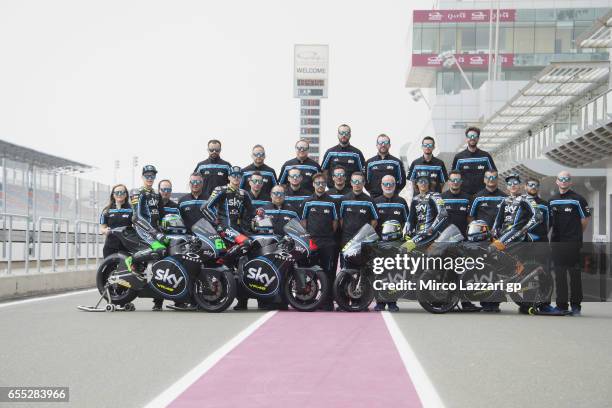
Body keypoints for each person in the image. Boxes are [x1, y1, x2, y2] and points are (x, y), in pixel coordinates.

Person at [489, 174, 542, 314]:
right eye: (510, 183)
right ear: (506, 187)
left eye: (515, 182)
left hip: (517, 235)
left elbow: (538, 216)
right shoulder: (504, 201)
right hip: (504, 236)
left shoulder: (526, 199)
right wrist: (493, 232)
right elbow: (497, 221)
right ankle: (500, 294)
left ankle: (524, 297)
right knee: (492, 258)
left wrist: (523, 230)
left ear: (520, 185)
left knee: (493, 250)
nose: (512, 185)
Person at [205, 166, 254, 311]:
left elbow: (251, 212)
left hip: (238, 231)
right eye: (234, 175)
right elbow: (205, 208)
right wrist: (218, 225)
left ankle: (242, 302)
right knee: (247, 243)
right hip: (225, 230)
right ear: (229, 177)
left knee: (241, 264)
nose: (236, 178)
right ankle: (221, 261)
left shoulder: (243, 193)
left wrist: (259, 217)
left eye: (239, 176)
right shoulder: (222, 190)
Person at [549, 171, 591, 316]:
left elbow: (584, 220)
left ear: (570, 182)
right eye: (561, 179)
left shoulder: (578, 199)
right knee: (559, 275)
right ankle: (561, 305)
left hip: (573, 243)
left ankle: (576, 305)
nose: (564, 181)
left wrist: (576, 235)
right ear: (557, 181)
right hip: (556, 243)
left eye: (567, 179)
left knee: (574, 274)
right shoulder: (552, 200)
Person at [439, 171, 481, 313]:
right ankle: (446, 301)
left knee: (463, 273)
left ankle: (466, 302)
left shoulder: (468, 198)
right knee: (446, 273)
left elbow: (470, 219)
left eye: (457, 180)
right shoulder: (441, 198)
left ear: (461, 182)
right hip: (445, 241)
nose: (455, 183)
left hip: (463, 240)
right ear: (448, 182)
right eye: (452, 180)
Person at [127, 165, 167, 311]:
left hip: (156, 231)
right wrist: (154, 232)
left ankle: (159, 300)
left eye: (152, 176)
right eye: (147, 176)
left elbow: (162, 216)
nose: (150, 178)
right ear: (142, 177)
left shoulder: (157, 195)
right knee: (160, 250)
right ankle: (132, 260)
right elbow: (136, 217)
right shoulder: (136, 192)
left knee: (168, 253)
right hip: (142, 230)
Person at [301, 173, 339, 311]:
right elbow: (303, 221)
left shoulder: (332, 202)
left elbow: (335, 223)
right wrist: (310, 236)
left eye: (323, 183)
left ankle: (327, 302)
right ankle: (310, 299)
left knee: (328, 273)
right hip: (311, 242)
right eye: (318, 183)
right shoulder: (307, 202)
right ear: (313, 184)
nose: (320, 185)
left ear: (326, 184)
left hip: (328, 242)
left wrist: (327, 235)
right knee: (311, 273)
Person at [373, 175, 408, 312]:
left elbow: (406, 221)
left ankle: (392, 302)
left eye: (391, 183)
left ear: (395, 185)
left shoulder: (401, 202)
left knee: (394, 274)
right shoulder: (375, 202)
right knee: (380, 273)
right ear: (381, 185)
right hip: (380, 243)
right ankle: (380, 302)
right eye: (386, 183)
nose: (388, 186)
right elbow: (373, 222)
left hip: (396, 243)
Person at [451, 127, 497, 197]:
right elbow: (453, 177)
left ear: (478, 139)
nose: (472, 138)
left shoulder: (486, 156)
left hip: (482, 196)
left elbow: (494, 174)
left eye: (474, 136)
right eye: (470, 136)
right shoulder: (459, 157)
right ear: (466, 139)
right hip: (464, 195)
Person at [406, 171, 448, 247]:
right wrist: (407, 233)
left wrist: (432, 228)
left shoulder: (436, 196)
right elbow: (410, 219)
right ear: (416, 183)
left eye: (425, 181)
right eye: (420, 181)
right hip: (418, 235)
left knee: (405, 248)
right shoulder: (415, 199)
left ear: (429, 183)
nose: (423, 183)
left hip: (432, 235)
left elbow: (443, 213)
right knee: (405, 250)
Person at [339, 172, 378, 252]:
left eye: (359, 181)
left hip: (363, 239)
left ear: (363, 183)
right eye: (354, 181)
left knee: (362, 263)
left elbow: (374, 221)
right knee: (345, 262)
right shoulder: (343, 200)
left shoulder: (370, 201)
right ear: (350, 182)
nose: (356, 184)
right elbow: (340, 219)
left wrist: (365, 235)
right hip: (347, 238)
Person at [321, 124, 366, 188]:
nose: (344, 135)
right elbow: (323, 172)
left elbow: (363, 173)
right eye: (341, 133)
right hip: (332, 192)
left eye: (346, 133)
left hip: (351, 192)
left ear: (350, 135)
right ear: (338, 135)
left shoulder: (357, 153)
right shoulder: (330, 152)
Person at [365, 134, 407, 198]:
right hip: (375, 198)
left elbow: (402, 181)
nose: (383, 145)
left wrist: (394, 192)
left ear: (389, 145)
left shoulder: (397, 162)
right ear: (376, 145)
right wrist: (373, 192)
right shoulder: (369, 162)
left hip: (392, 198)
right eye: (380, 142)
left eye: (386, 142)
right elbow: (365, 181)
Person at [99, 184, 132, 258]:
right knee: (109, 269)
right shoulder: (106, 210)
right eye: (117, 192)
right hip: (110, 245)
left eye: (122, 192)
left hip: (127, 245)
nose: (119, 194)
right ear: (113, 195)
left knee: (125, 269)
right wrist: (105, 230)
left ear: (126, 194)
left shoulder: (132, 209)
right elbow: (102, 228)